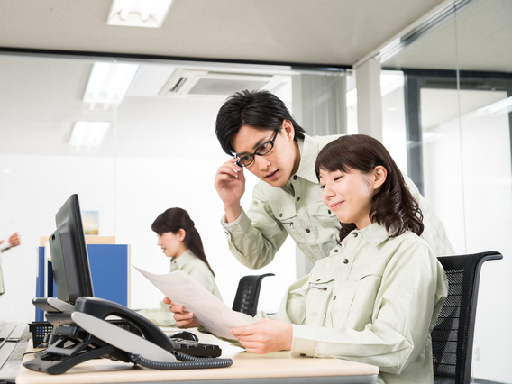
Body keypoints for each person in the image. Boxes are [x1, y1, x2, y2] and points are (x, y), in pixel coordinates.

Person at [168, 134, 448, 384]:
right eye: (322, 183)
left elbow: (396, 345)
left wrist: (293, 338)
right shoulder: (336, 258)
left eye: (337, 179)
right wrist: (204, 317)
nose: (327, 194)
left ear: (376, 177)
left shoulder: (408, 252)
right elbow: (279, 323)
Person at [214, 90, 454, 271]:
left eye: (264, 147)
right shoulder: (267, 191)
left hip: (418, 286)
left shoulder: (350, 155)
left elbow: (414, 232)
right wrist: (232, 205)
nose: (261, 165)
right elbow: (257, 258)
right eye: (246, 158)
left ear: (287, 130)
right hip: (353, 303)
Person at [138, 208, 223, 326]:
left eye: (161, 235)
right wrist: (136, 314)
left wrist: (142, 318)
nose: (159, 242)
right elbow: (166, 312)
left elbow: (185, 318)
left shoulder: (196, 270)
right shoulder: (179, 268)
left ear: (181, 235)